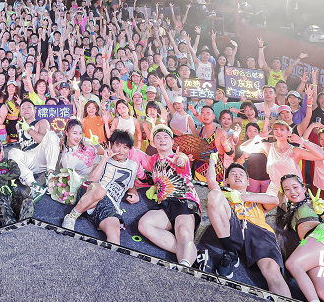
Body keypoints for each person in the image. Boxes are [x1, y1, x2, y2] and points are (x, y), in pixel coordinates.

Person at [204, 154, 288, 294]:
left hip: (259, 233)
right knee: (214, 195)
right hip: (234, 227)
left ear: (248, 182)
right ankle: (230, 252)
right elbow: (211, 181)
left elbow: (274, 200)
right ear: (226, 181)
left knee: (273, 273)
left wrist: (242, 197)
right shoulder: (225, 194)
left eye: (241, 174)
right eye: (233, 174)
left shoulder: (256, 198)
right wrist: (212, 160)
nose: (238, 176)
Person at [135, 125, 204, 267]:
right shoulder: (153, 160)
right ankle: (192, 253)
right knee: (144, 224)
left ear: (172, 142)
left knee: (183, 231)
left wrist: (179, 160)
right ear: (153, 142)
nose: (162, 140)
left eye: (166, 137)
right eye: (158, 137)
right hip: (165, 205)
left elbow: (183, 161)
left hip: (184, 200)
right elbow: (134, 153)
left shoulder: (179, 156)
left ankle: (184, 266)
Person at [62, 129, 139, 246]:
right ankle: (71, 216)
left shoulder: (133, 166)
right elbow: (92, 179)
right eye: (117, 145)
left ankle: (109, 257)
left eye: (125, 147)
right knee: (101, 190)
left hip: (110, 205)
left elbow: (130, 184)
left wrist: (135, 194)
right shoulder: (102, 158)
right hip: (91, 193)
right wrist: (105, 159)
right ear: (111, 145)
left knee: (115, 235)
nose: (121, 150)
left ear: (129, 149)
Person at [279, 174, 324, 302]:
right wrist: (281, 189)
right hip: (319, 250)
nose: (292, 191)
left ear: (304, 188)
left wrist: (322, 213)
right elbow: (280, 202)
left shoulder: (314, 203)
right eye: (287, 189)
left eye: (295, 187)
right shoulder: (291, 209)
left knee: (293, 263)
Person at [0, 133, 35, 227]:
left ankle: (23, 228)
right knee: (6, 219)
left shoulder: (9, 162)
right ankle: (18, 230)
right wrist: (7, 178)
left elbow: (16, 173)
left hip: (13, 191)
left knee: (28, 202)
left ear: (0, 147)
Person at [8, 99, 61, 186]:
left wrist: (29, 130)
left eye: (29, 107)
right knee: (12, 152)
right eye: (23, 108)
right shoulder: (18, 126)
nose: (26, 109)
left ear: (34, 111)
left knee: (51, 135)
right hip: (27, 158)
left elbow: (43, 140)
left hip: (40, 155)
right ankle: (33, 184)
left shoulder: (42, 122)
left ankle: (50, 173)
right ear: (20, 112)